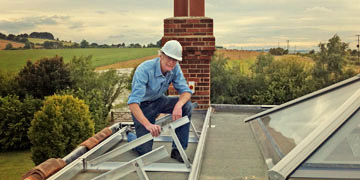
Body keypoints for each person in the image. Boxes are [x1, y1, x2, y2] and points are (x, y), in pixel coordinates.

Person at [127, 40, 193, 162]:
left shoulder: (175, 67)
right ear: (161, 55)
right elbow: (133, 104)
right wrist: (148, 125)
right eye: (169, 57)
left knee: (186, 106)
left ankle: (177, 150)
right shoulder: (144, 70)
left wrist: (179, 105)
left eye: (175, 59)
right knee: (144, 151)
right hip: (142, 107)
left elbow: (186, 91)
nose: (172, 62)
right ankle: (130, 135)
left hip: (159, 100)